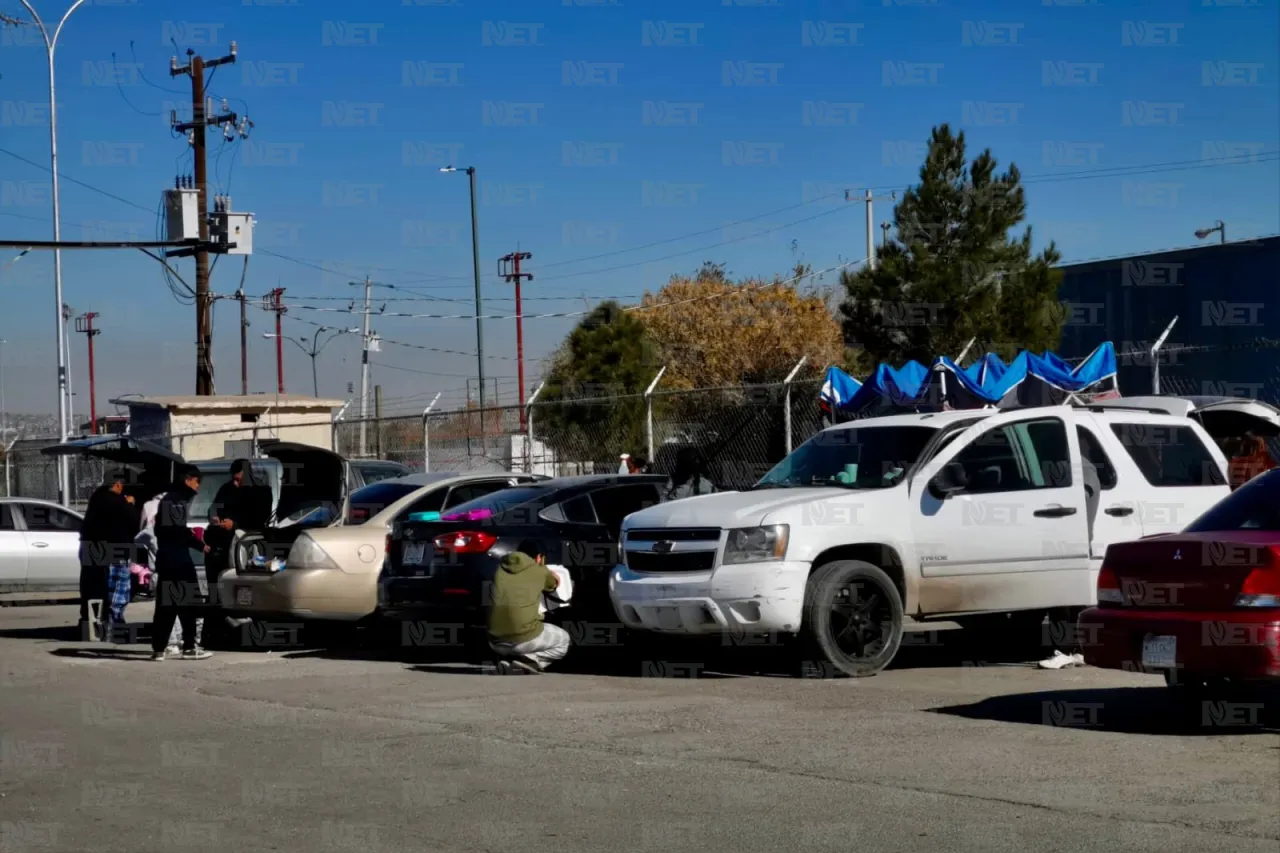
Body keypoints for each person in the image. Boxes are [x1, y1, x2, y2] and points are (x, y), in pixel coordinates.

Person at [151, 465, 213, 661]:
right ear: (188, 480)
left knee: (166, 606)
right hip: (177, 560)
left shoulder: (171, 500)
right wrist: (198, 543)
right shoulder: (175, 501)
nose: (197, 487)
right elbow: (176, 530)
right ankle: (189, 647)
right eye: (197, 482)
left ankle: (159, 649)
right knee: (188, 604)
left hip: (168, 559)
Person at [487, 540, 570, 674]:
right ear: (538, 557)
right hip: (522, 641)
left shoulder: (500, 567)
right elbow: (555, 583)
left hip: (494, 642)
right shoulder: (539, 570)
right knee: (564, 640)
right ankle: (530, 661)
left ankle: (508, 661)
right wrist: (544, 568)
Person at [79, 470, 139, 638]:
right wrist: (130, 505)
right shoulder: (119, 502)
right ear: (118, 484)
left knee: (93, 589)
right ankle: (114, 624)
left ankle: (91, 624)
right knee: (118, 590)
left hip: (91, 550)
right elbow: (133, 523)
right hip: (116, 552)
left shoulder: (96, 498)